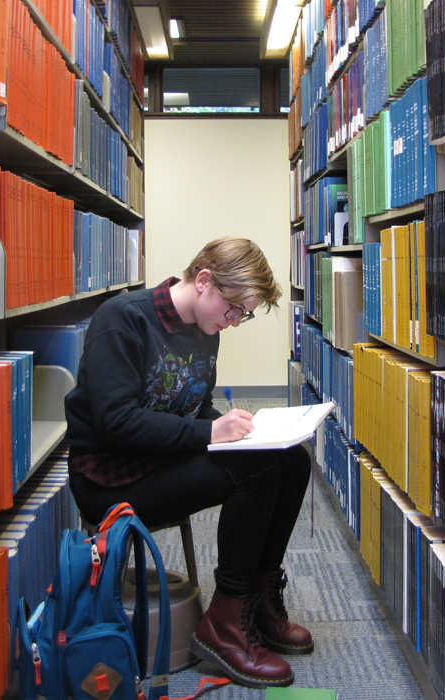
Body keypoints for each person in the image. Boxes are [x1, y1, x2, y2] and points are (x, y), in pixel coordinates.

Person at [64, 237, 314, 688]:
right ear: (203, 281)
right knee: (255, 469)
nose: (235, 322)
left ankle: (257, 597)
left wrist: (239, 430)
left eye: (244, 314)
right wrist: (210, 433)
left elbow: (194, 411)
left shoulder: (206, 330)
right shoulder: (122, 320)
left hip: (163, 463)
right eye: (235, 309)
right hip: (110, 479)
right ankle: (224, 624)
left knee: (290, 460)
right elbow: (116, 423)